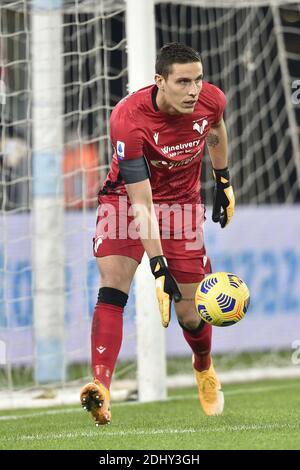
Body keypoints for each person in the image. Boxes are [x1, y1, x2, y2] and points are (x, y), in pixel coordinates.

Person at [80, 43, 235, 425]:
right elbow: (142, 204)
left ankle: (203, 367)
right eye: (183, 82)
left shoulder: (211, 101)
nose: (193, 90)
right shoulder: (129, 119)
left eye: (198, 80)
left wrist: (223, 180)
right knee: (113, 283)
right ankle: (101, 387)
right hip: (127, 203)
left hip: (182, 208)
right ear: (159, 81)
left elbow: (215, 129)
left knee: (190, 314)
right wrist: (158, 266)